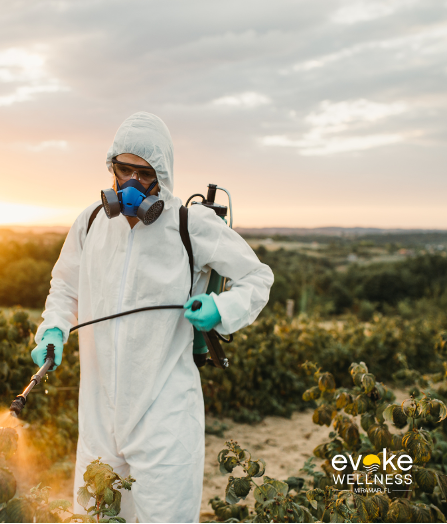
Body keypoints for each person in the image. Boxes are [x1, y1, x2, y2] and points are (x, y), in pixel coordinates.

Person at [32, 112, 274, 523]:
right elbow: (65, 287)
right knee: (95, 515)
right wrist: (53, 328)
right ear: (111, 170)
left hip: (165, 418)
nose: (131, 184)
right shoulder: (90, 223)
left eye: (144, 174)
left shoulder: (189, 225)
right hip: (98, 415)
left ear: (162, 176)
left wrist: (222, 309)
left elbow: (257, 277)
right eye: (123, 170)